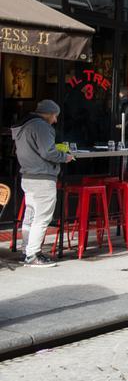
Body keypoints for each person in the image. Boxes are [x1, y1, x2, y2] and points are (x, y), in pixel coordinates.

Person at [12, 100, 74, 267]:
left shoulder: (24, 126)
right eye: (54, 116)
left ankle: (26, 251)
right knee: (42, 218)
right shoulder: (42, 127)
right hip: (43, 178)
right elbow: (48, 152)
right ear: (48, 113)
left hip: (28, 176)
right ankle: (33, 255)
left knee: (30, 217)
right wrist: (65, 157)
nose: (55, 120)